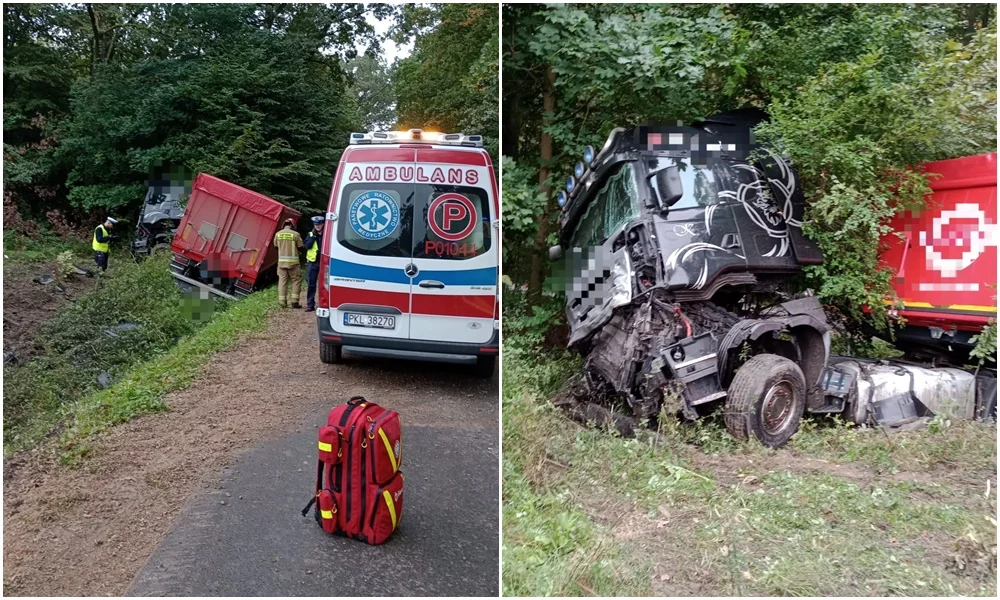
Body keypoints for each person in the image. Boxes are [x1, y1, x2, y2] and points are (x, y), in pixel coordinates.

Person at [273, 217, 303, 308]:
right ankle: (294, 301)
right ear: (292, 225)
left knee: (282, 281)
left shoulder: (278, 234)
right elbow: (300, 246)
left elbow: (275, 246)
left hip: (281, 263)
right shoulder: (296, 234)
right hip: (293, 264)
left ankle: (282, 302)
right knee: (296, 280)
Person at [303, 215, 324, 312]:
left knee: (324, 284)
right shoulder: (310, 234)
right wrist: (313, 237)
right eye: (316, 225)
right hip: (313, 262)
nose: (318, 226)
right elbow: (307, 246)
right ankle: (310, 305)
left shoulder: (327, 234)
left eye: (319, 224)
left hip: (324, 262)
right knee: (311, 284)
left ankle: (324, 304)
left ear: (323, 224)